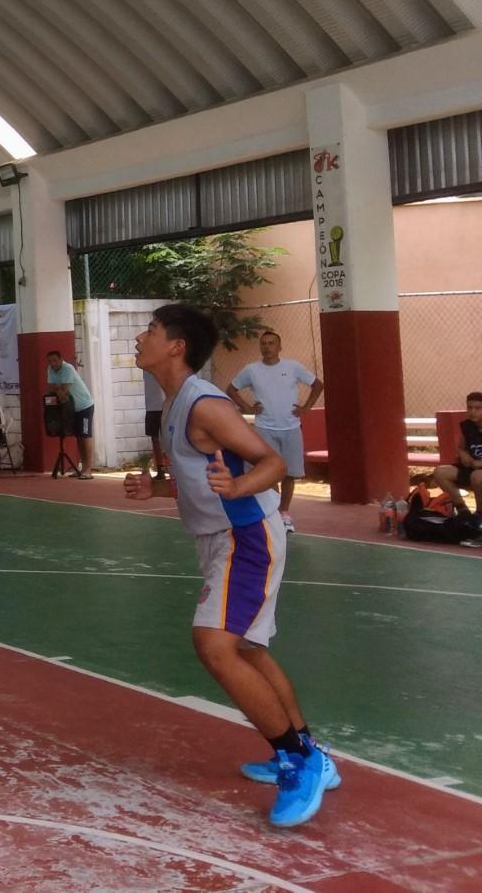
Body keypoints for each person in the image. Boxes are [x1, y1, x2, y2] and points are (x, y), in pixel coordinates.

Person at [125, 303, 338, 829]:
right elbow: (200, 476)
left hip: (246, 537)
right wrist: (155, 489)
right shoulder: (174, 402)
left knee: (214, 645)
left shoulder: (205, 403)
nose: (140, 337)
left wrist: (239, 487)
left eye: (150, 330)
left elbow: (273, 462)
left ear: (176, 346)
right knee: (247, 648)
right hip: (224, 536)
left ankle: (299, 762)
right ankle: (310, 751)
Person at [226, 331, 324, 534]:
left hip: (291, 428)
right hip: (265, 429)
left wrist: (306, 408)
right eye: (263, 343)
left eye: (271, 343)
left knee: (290, 473)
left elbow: (317, 385)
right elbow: (231, 389)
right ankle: (272, 513)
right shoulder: (251, 370)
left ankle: (284, 512)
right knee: (269, 473)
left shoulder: (293, 367)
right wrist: (247, 407)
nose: (267, 347)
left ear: (279, 347)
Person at [430, 391, 482, 521]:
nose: (473, 412)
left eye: (477, 408)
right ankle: (463, 510)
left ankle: (479, 514)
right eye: (469, 408)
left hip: (478, 471)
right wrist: (463, 454)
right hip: (471, 467)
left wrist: (479, 463)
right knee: (440, 472)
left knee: (477, 476)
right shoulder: (467, 426)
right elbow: (461, 447)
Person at [46, 350, 94, 477]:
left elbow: (64, 392)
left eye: (55, 361)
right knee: (78, 437)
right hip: (72, 409)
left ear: (61, 359)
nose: (52, 364)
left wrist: (58, 389)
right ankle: (82, 467)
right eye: (50, 361)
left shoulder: (68, 369)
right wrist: (59, 389)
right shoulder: (50, 370)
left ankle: (88, 469)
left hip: (84, 406)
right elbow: (51, 387)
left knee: (85, 435)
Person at [143, 369, 167, 481]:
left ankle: (170, 468)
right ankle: (160, 469)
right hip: (152, 405)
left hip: (165, 404)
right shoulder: (145, 365)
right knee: (155, 438)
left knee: (169, 438)